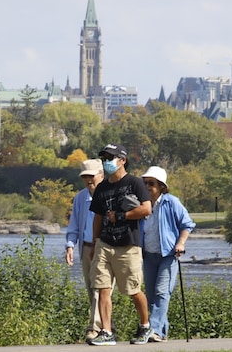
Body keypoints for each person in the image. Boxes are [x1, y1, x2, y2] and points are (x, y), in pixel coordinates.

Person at [87, 143, 153, 346]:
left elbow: (146, 209)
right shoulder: (101, 188)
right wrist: (94, 242)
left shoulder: (134, 183)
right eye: (104, 158)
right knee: (103, 287)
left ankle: (145, 325)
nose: (107, 162)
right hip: (105, 243)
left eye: (110, 158)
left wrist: (122, 215)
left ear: (122, 160)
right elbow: (97, 217)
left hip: (128, 245)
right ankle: (106, 331)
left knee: (133, 290)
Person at [141, 166, 195, 342]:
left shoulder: (171, 202)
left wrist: (180, 243)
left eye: (151, 183)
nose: (147, 186)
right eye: (145, 183)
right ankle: (161, 334)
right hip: (148, 255)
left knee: (162, 292)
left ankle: (155, 330)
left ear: (161, 186)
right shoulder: (142, 203)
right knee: (150, 295)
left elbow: (187, 224)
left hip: (168, 255)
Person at [65, 159, 106, 342]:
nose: (89, 180)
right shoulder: (81, 197)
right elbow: (74, 223)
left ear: (101, 175)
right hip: (86, 248)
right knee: (92, 291)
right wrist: (70, 245)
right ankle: (106, 327)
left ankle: (94, 328)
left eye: (92, 176)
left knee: (99, 288)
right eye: (85, 177)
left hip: (104, 248)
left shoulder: (109, 194)